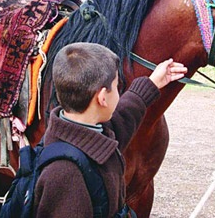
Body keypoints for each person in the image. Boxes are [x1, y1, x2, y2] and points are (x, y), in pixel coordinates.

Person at [32, 42, 187, 217]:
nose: (119, 92)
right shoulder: (65, 175)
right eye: (116, 86)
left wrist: (151, 83)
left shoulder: (81, 130)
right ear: (103, 98)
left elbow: (122, 119)